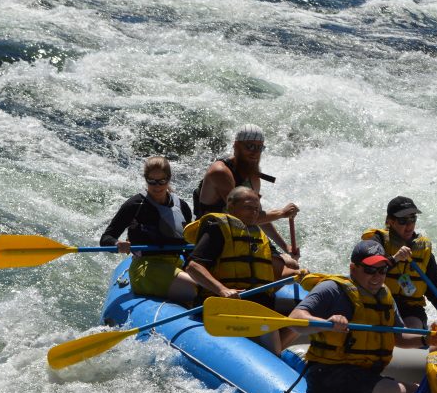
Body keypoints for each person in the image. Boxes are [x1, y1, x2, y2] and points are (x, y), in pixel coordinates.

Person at [289, 239, 437, 393]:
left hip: (364, 375)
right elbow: (296, 319)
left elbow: (398, 338)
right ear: (353, 268)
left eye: (382, 271)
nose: (377, 277)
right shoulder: (332, 289)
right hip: (328, 375)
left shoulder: (384, 294)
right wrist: (328, 324)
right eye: (370, 270)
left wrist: (426, 339)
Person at [184, 186, 300, 351]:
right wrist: (222, 290)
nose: (253, 213)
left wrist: (298, 274)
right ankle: (274, 355)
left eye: (256, 209)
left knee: (307, 309)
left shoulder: (259, 235)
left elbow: (278, 271)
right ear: (231, 207)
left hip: (259, 304)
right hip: (226, 304)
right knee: (269, 329)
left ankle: (278, 353)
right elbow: (193, 266)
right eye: (248, 207)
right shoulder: (217, 227)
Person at [99, 156, 198, 304]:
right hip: (146, 267)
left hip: (175, 264)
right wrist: (116, 244)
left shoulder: (182, 206)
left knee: (208, 285)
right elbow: (106, 238)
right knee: (195, 287)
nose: (156, 186)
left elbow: (189, 245)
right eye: (151, 181)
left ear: (169, 179)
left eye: (161, 181)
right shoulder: (135, 205)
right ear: (146, 179)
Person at [192, 124, 299, 256]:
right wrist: (282, 213)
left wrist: (285, 246)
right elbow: (243, 217)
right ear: (236, 145)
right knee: (288, 268)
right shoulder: (220, 172)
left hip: (241, 236)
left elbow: (256, 214)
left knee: (291, 266)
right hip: (215, 238)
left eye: (260, 148)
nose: (255, 152)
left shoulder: (253, 175)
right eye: (250, 146)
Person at [360, 196, 437, 328]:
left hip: (410, 309)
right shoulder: (377, 242)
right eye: (403, 220)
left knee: (413, 326)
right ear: (390, 221)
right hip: (378, 303)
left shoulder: (423, 250)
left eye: (413, 219)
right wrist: (395, 259)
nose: (409, 225)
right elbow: (367, 271)